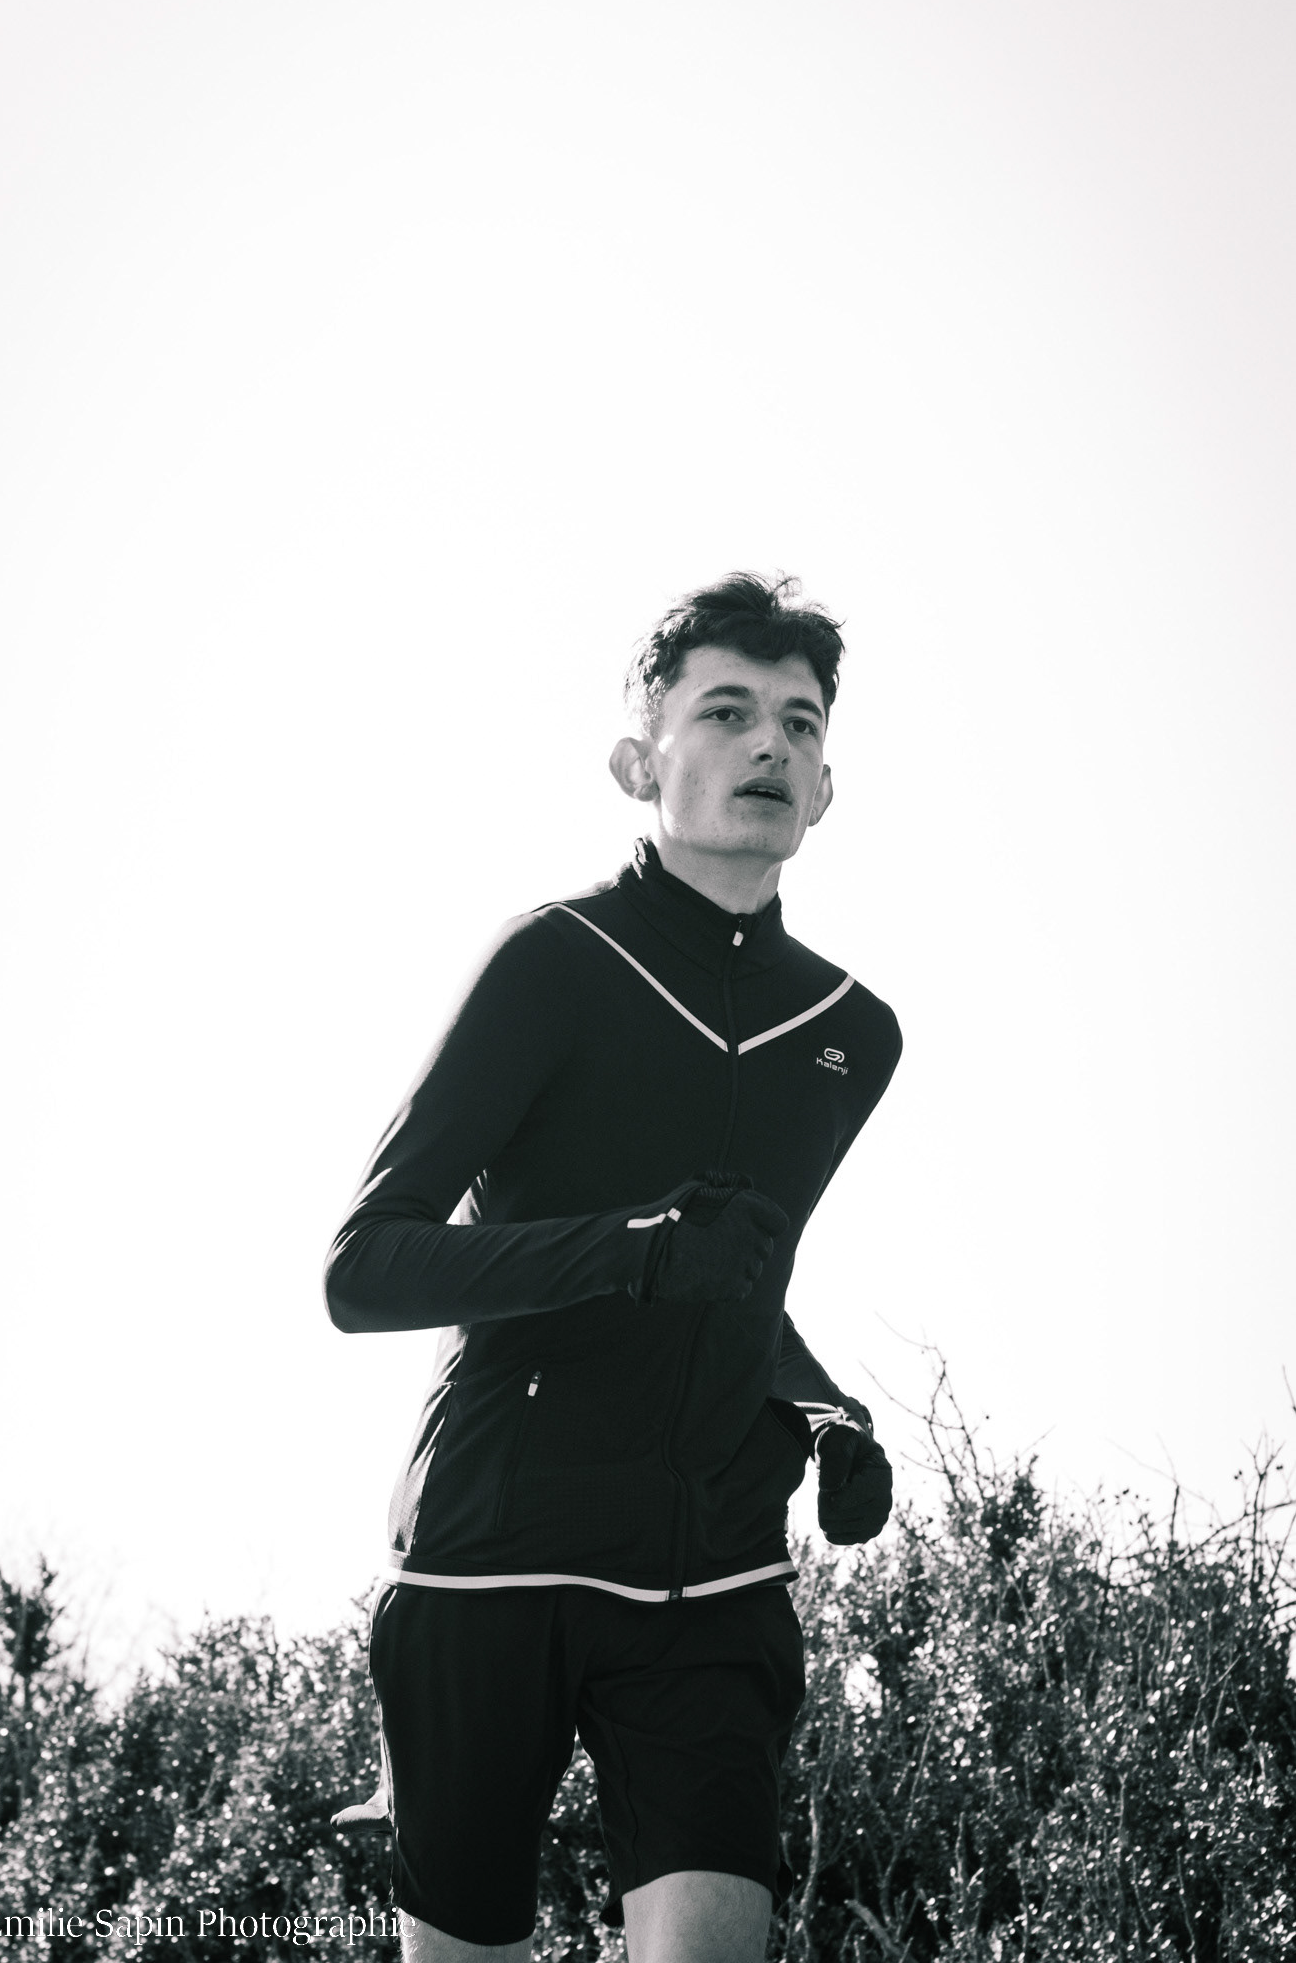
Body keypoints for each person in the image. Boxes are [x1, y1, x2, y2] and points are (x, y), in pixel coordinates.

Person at [323, 574, 902, 1963]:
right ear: (639, 765)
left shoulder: (852, 1032)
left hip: (712, 1577)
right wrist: (628, 1251)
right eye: (726, 711)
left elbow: (734, 1276)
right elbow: (366, 1269)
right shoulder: (555, 960)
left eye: (799, 723)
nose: (768, 744)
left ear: (826, 789)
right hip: (493, 1556)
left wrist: (819, 1405)